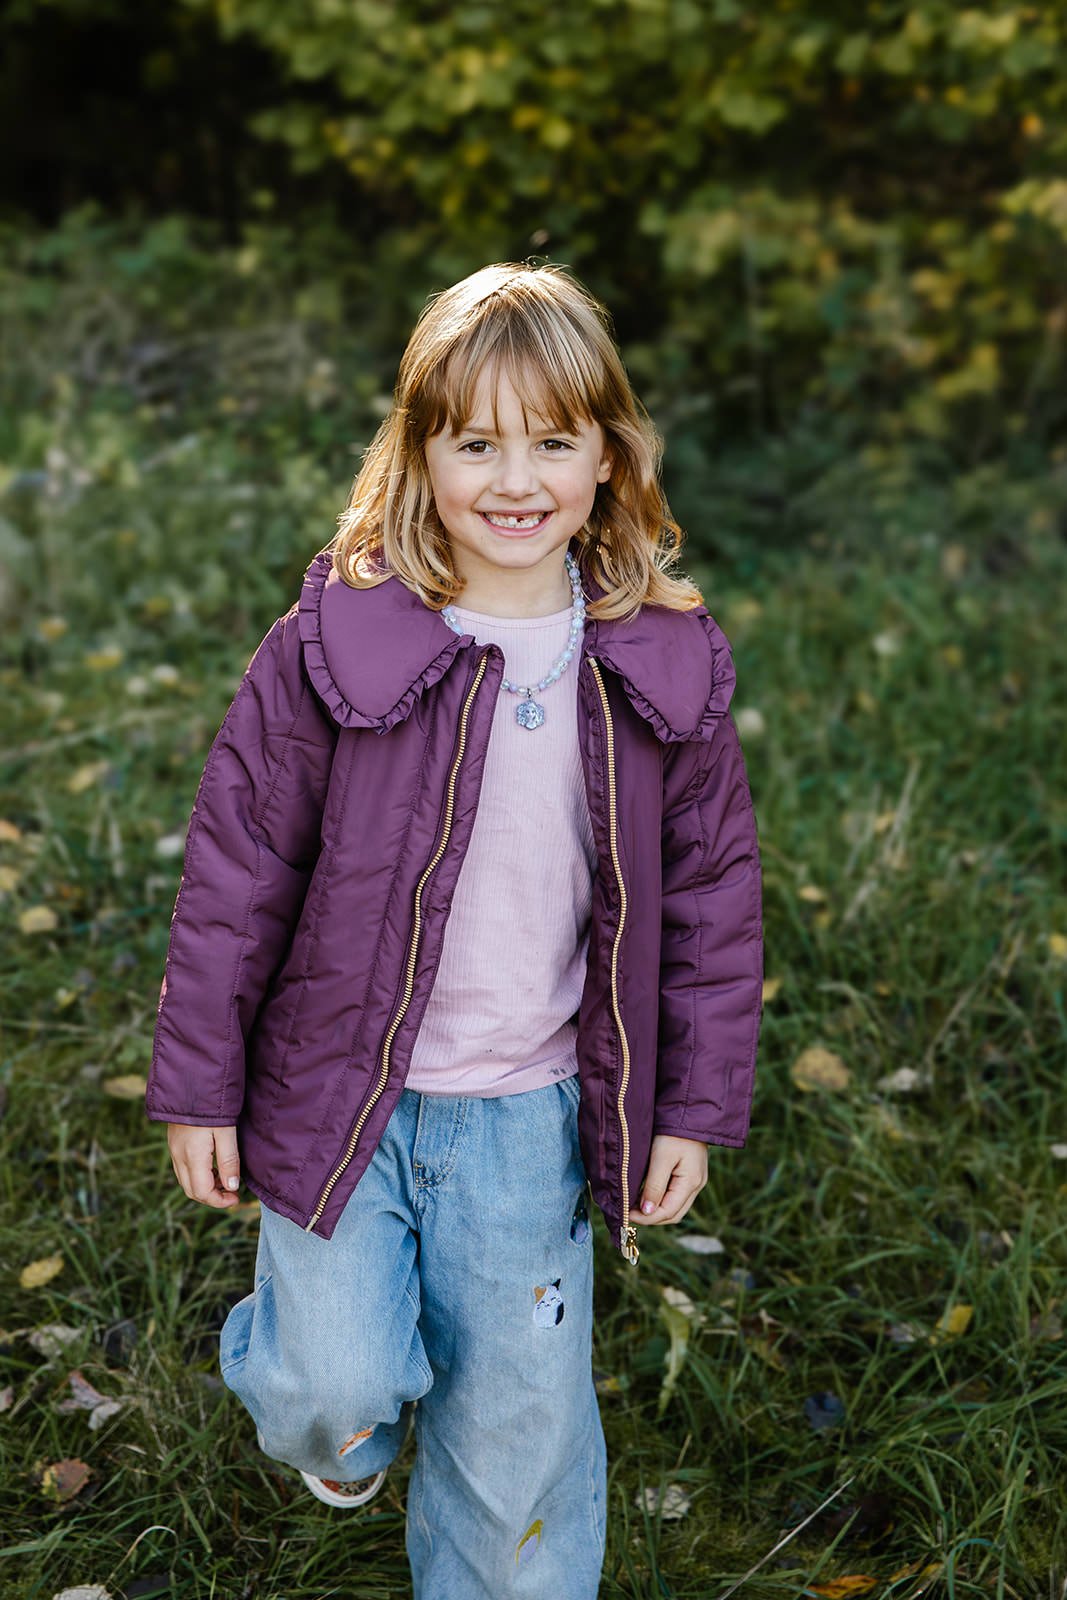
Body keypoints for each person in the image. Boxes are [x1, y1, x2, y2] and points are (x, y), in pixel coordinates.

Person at [145, 260, 764, 1598]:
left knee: (516, 1436)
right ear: (420, 453)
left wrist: (692, 1111)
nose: (515, 479)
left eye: (553, 442)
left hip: (533, 1115)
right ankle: (330, 1407)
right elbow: (238, 870)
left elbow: (714, 904)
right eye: (476, 442)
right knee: (332, 1386)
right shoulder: (336, 641)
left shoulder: (658, 666)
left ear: (609, 457)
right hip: (340, 1096)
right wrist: (199, 1083)